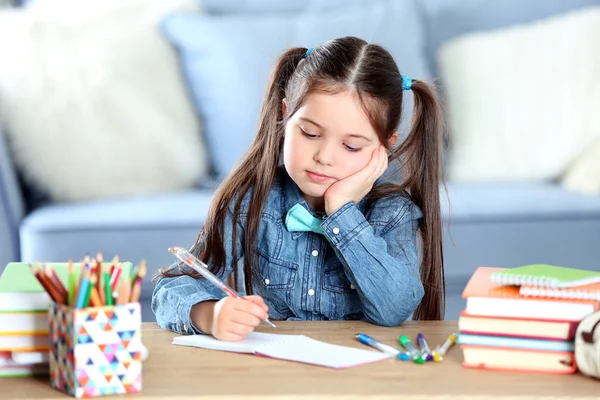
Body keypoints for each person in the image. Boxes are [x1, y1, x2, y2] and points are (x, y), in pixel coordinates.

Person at [152, 36, 445, 341]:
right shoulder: (253, 200)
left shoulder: (392, 211)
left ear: (384, 146)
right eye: (309, 133)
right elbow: (172, 287)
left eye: (351, 146)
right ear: (285, 114)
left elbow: (395, 308)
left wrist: (343, 211)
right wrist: (209, 314)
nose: (324, 157)